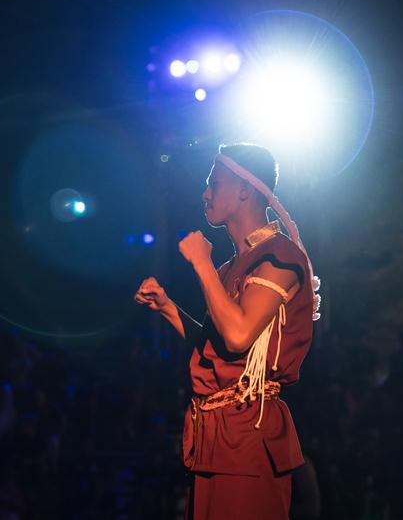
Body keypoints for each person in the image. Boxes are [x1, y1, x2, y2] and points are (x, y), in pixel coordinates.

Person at [135, 143, 322, 520]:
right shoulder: (228, 268)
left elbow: (239, 337)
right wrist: (168, 307)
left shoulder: (280, 256)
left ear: (243, 190)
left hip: (247, 435)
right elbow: (217, 345)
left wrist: (201, 263)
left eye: (213, 183)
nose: (205, 194)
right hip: (217, 438)